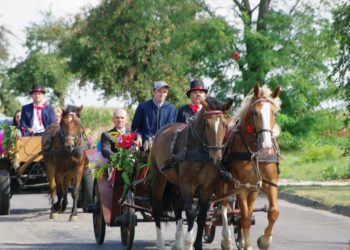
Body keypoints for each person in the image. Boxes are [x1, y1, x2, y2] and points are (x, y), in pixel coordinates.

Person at [131, 81, 177, 148]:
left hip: (164, 147)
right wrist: (138, 136)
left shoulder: (172, 109)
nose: (162, 94)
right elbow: (135, 127)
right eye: (159, 91)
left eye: (165, 92)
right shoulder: (142, 107)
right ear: (153, 92)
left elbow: (172, 129)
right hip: (145, 146)